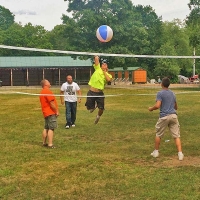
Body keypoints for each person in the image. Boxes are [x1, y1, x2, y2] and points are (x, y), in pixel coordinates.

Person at [148, 77, 184, 161]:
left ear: (162, 84)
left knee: (158, 134)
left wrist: (151, 108)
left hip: (164, 116)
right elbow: (176, 107)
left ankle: (156, 152)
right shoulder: (173, 94)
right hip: (173, 116)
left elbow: (157, 105)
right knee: (176, 135)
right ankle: (180, 153)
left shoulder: (160, 93)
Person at [85, 56, 112, 124]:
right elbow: (96, 59)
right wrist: (97, 56)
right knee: (89, 109)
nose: (104, 65)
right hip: (91, 92)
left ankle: (98, 117)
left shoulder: (108, 75)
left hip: (99, 93)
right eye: (103, 64)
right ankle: (94, 106)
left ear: (107, 67)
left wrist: (104, 72)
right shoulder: (97, 69)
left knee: (101, 108)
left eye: (105, 64)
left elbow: (108, 80)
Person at [39, 79, 59, 148]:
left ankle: (44, 143)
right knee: (51, 128)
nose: (50, 82)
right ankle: (50, 144)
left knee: (46, 128)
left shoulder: (42, 92)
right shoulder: (47, 91)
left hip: (45, 112)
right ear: (45, 84)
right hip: (50, 112)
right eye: (48, 82)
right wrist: (56, 111)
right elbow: (51, 103)